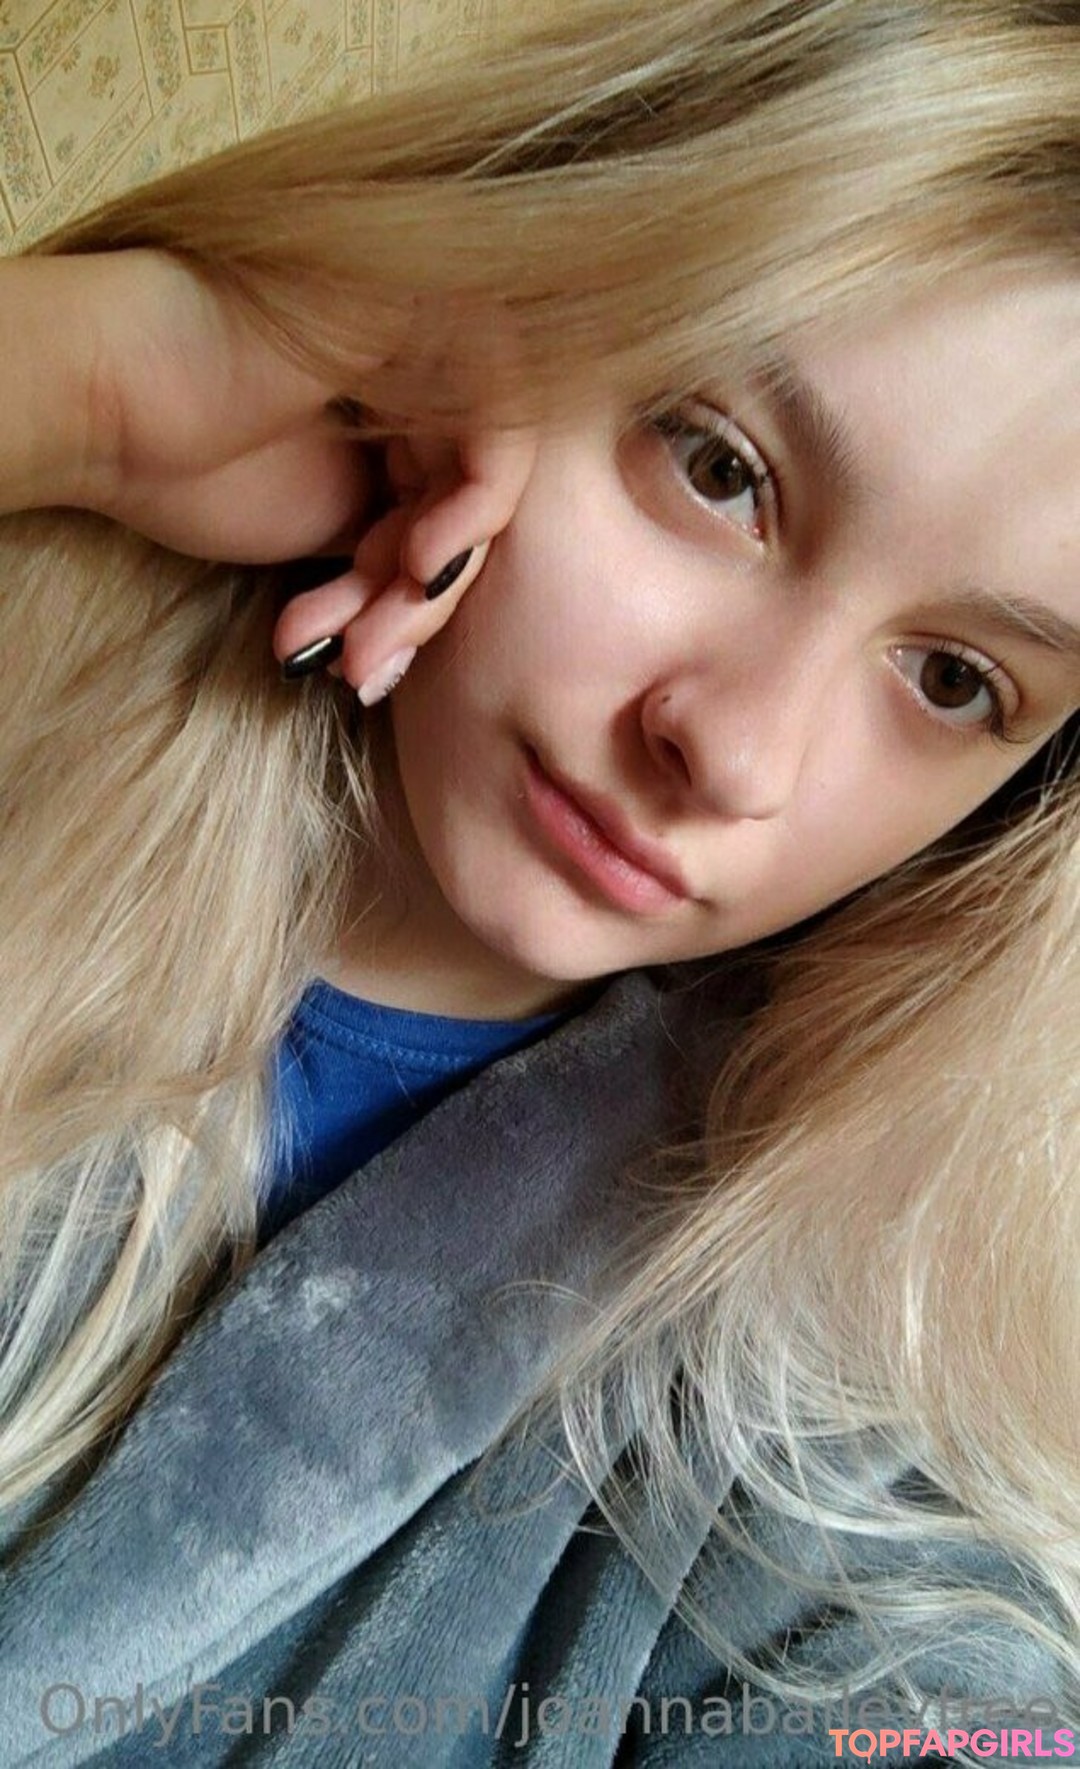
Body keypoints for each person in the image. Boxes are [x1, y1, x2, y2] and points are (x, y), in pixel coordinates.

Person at [0, 0, 1077, 1762]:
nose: (738, 753)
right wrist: (83, 397)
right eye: (721, 471)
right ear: (511, 283)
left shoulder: (821, 1447)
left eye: (955, 680)